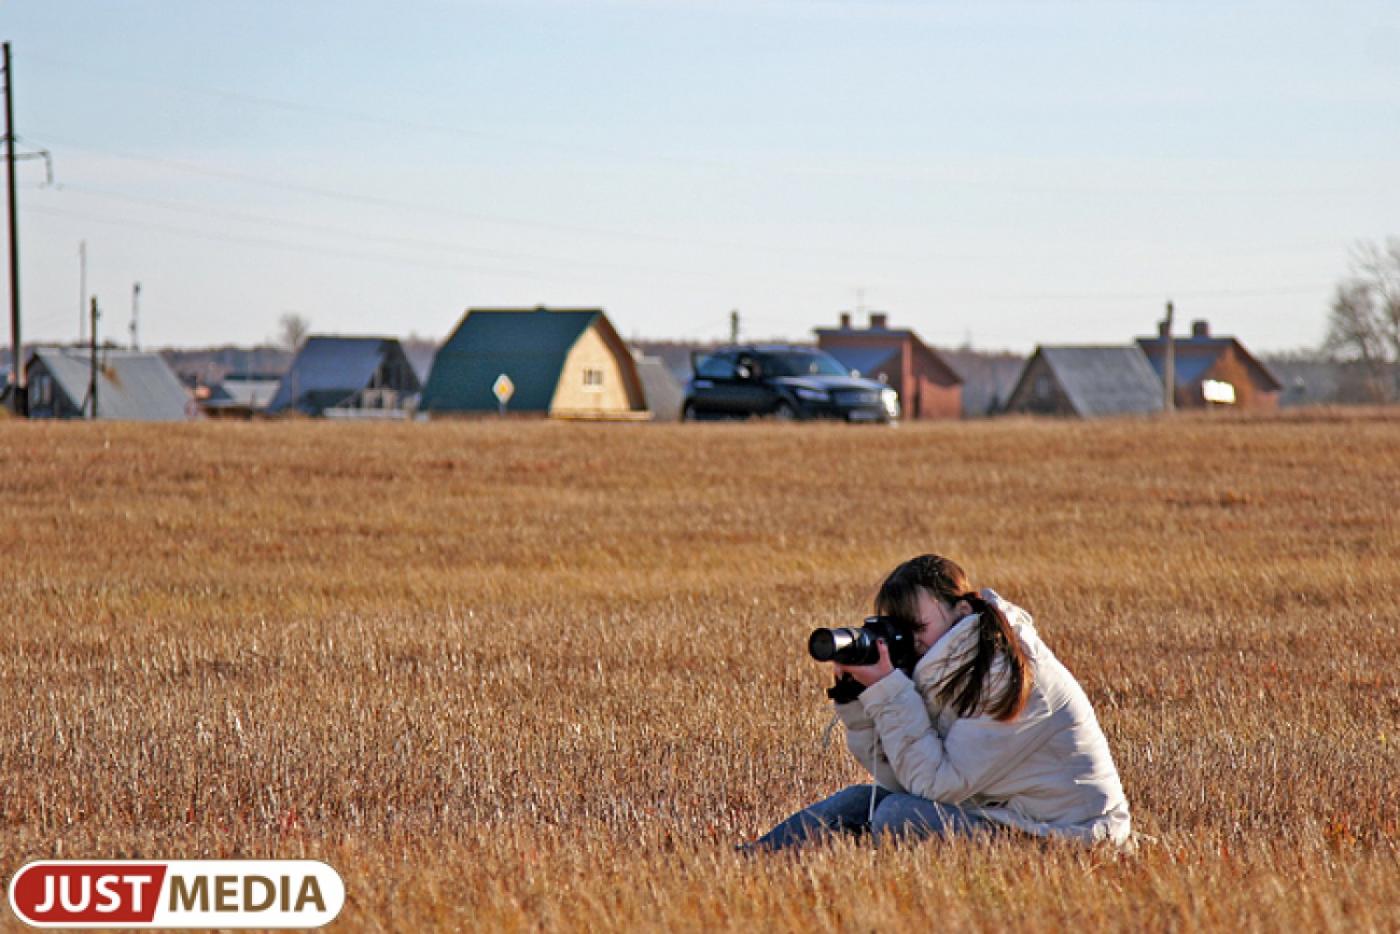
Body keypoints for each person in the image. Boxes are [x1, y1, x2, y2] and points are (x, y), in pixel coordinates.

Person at [749, 554, 1132, 851]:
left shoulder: (1004, 674)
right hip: (1004, 815)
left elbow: (934, 786)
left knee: (895, 816)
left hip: (1069, 838)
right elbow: (901, 777)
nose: (908, 642)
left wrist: (889, 692)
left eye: (917, 629)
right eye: (898, 630)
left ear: (961, 611)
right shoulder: (954, 662)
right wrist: (858, 702)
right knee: (861, 801)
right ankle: (749, 862)